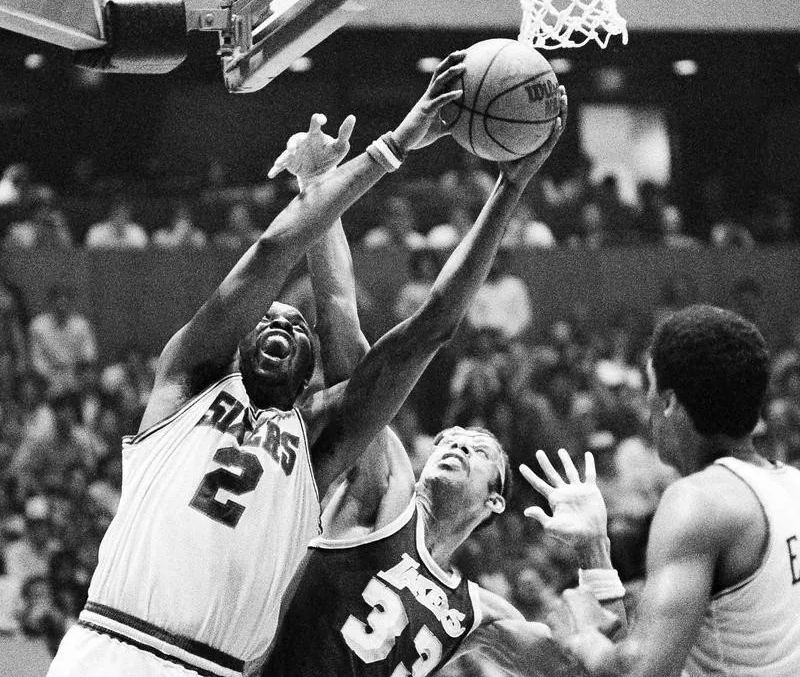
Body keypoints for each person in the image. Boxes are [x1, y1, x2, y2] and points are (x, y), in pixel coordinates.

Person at [46, 51, 469, 677]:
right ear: (238, 345)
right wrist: (393, 145)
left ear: (309, 377)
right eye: (267, 318)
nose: (281, 322)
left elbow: (340, 310)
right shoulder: (186, 381)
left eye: (296, 328)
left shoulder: (317, 441)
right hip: (113, 644)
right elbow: (273, 249)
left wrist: (320, 196)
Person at [262, 88, 610, 677]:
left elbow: (596, 670)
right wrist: (319, 194)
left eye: (476, 450)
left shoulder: (480, 615)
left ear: (494, 500)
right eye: (452, 439)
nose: (455, 444)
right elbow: (340, 311)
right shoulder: (384, 485)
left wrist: (595, 550)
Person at [527, 304, 800, 677]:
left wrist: (582, 637)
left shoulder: (698, 501)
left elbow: (641, 673)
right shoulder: (791, 486)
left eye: (650, 390)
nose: (647, 405)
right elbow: (647, 651)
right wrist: (594, 551)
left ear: (669, 402)